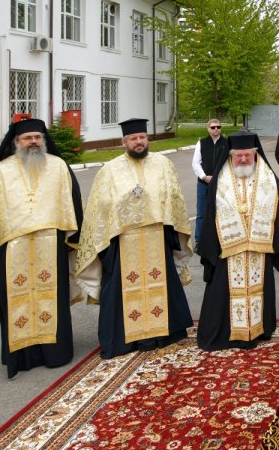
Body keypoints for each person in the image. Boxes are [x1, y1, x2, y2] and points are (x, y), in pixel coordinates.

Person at [0, 118, 82, 378]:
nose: (33, 142)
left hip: (51, 247)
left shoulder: (59, 167)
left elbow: (73, 204)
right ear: (16, 142)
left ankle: (56, 353)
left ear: (44, 140)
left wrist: (75, 240)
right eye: (27, 138)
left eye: (37, 137)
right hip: (11, 251)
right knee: (17, 301)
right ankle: (22, 356)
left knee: (52, 297)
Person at [74, 118, 194, 358]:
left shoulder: (163, 164)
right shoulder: (109, 170)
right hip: (123, 241)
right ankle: (125, 339)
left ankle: (163, 334)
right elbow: (98, 209)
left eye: (142, 137)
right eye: (133, 139)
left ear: (147, 138)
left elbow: (175, 200)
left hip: (158, 239)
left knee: (161, 285)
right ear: (124, 142)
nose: (139, 142)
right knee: (121, 290)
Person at [197, 131, 279, 350]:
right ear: (231, 156)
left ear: (255, 154)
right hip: (227, 248)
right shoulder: (220, 178)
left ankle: (258, 330)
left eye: (248, 155)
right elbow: (210, 212)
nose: (244, 160)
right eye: (239, 156)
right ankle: (225, 334)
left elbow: (277, 206)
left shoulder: (266, 176)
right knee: (222, 292)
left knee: (259, 289)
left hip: (259, 246)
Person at [191, 118, 229, 250]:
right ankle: (199, 241)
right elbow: (196, 163)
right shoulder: (201, 143)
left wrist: (220, 177)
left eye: (218, 127)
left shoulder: (226, 143)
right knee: (202, 212)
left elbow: (229, 163)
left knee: (221, 212)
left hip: (221, 184)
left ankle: (221, 240)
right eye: (213, 127)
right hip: (203, 184)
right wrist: (204, 176)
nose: (216, 129)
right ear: (208, 129)